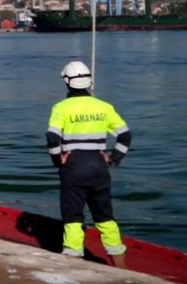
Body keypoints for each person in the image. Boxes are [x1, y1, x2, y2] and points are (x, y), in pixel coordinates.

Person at [47, 61, 132, 268]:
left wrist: (58, 160)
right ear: (89, 81)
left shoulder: (61, 108)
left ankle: (74, 264)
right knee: (105, 218)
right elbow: (125, 135)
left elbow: (52, 138)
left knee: (73, 218)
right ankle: (121, 268)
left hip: (73, 168)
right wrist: (113, 158)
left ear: (66, 82)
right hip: (98, 167)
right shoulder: (104, 107)